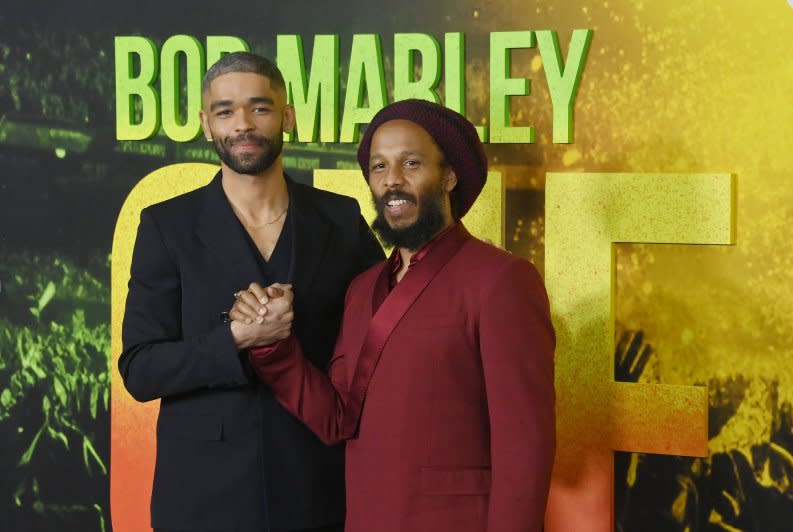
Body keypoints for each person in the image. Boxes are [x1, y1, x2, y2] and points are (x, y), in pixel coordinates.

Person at [232, 99, 556, 532]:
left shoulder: (502, 280)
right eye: (379, 167)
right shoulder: (363, 288)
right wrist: (272, 346)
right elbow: (336, 419)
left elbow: (525, 447)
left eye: (412, 163)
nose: (392, 181)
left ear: (449, 176)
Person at [119, 52, 384, 532]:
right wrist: (235, 337)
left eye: (259, 108)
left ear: (287, 116)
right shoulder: (166, 226)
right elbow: (140, 369)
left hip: (318, 488)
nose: (242, 123)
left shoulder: (341, 220)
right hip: (203, 496)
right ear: (206, 124)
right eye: (225, 111)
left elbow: (386, 340)